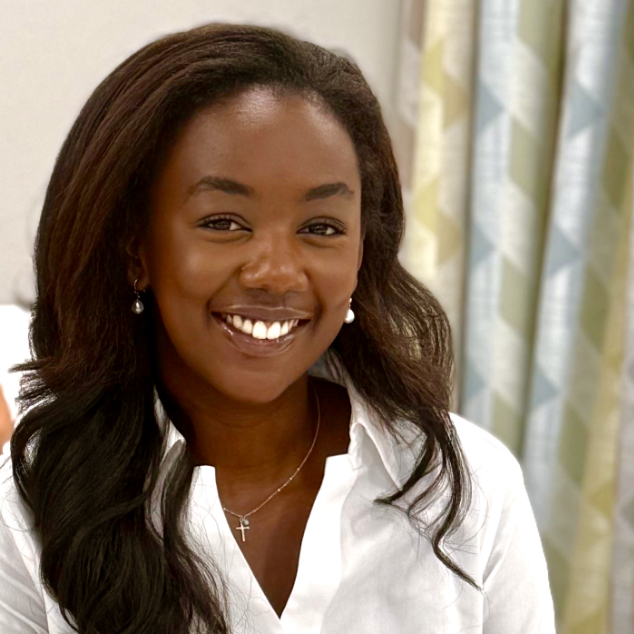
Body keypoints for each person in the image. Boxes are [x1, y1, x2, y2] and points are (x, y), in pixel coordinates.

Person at [0, 23, 555, 634]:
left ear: (363, 251)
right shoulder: (29, 507)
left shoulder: (467, 486)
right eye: (223, 221)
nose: (276, 274)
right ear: (135, 248)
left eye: (321, 228)